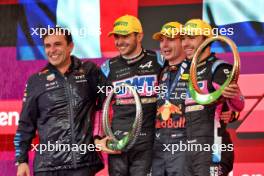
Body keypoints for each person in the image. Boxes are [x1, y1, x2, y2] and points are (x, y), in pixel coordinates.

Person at [14, 27, 104, 176]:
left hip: (83, 164)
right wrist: (21, 160)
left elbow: (107, 104)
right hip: (47, 168)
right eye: (48, 46)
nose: (52, 50)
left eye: (57, 44)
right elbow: (25, 124)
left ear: (70, 46)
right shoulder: (36, 81)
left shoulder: (89, 72)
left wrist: (99, 136)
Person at [94, 15, 164, 176]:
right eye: (116, 37)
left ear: (139, 36)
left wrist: (231, 111)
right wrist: (98, 139)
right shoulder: (107, 68)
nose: (119, 41)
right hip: (117, 141)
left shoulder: (159, 61)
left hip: (148, 141)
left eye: (125, 36)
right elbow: (99, 106)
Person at [180, 19, 244, 176]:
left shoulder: (219, 68)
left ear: (206, 40)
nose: (185, 43)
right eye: (183, 38)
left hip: (214, 146)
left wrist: (234, 96)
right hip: (189, 148)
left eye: (192, 37)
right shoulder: (186, 72)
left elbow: (239, 104)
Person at [151, 21, 187, 176]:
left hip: (184, 146)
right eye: (161, 40)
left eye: (171, 39)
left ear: (183, 41)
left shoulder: (196, 69)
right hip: (159, 146)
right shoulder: (160, 70)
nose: (164, 45)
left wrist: (232, 113)